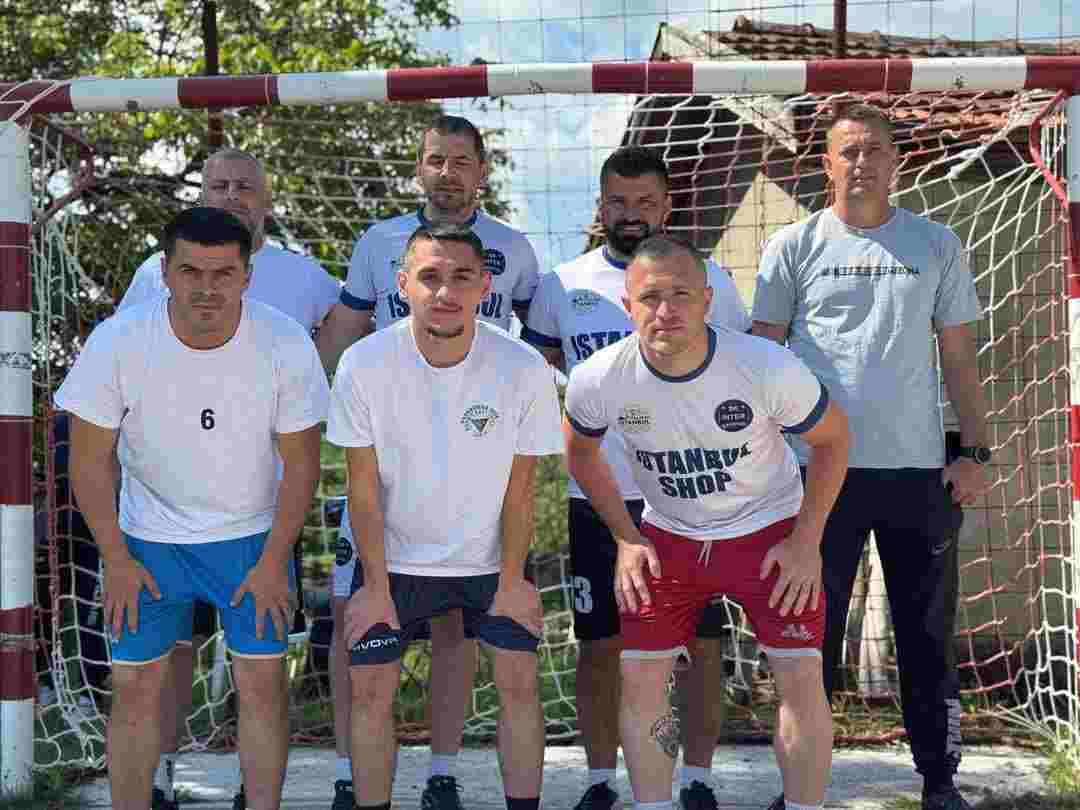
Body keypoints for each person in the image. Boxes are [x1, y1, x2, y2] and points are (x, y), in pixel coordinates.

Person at [750, 103, 990, 810]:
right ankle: (802, 789)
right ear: (827, 164)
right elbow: (762, 360)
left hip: (917, 473)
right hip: (815, 476)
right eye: (849, 151)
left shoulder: (935, 243)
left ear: (896, 162)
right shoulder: (793, 245)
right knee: (808, 640)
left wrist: (975, 450)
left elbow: (960, 359)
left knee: (926, 635)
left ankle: (939, 781)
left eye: (875, 150)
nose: (862, 163)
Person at [564, 234, 850, 810]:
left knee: (799, 677)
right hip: (669, 537)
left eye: (681, 295)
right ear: (627, 305)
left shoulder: (764, 365)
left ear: (707, 300)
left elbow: (834, 440)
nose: (666, 310)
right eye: (650, 297)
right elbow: (580, 451)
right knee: (643, 681)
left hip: (768, 533)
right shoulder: (600, 377)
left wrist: (806, 541)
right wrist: (625, 537)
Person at [56, 207, 328, 810]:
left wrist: (274, 560)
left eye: (223, 273)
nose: (207, 288)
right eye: (191, 272)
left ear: (247, 275)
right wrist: (116, 559)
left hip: (251, 541)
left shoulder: (284, 342)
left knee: (263, 686)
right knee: (134, 688)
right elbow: (89, 461)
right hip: (148, 542)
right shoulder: (119, 340)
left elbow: (302, 466)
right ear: (165, 272)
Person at [316, 114, 541, 810]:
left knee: (505, 669)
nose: (445, 291)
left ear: (485, 284)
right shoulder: (366, 354)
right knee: (366, 667)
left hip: (482, 530)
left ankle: (448, 771)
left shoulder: (519, 352)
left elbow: (522, 486)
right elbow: (360, 484)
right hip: (395, 524)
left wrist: (514, 578)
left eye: (461, 278)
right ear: (404, 282)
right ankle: (356, 783)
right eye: (430, 278)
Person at [523, 146, 750, 810]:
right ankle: (601, 780)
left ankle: (698, 779)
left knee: (700, 643)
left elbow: (740, 369)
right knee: (601, 645)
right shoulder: (561, 285)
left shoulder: (711, 281)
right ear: (601, 207)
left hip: (691, 495)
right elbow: (539, 372)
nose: (631, 214)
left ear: (667, 206)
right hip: (598, 496)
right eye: (618, 202)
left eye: (645, 202)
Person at [119, 148, 341, 810]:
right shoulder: (154, 273)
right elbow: (122, 362)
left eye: (246, 186)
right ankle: (159, 773)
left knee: (262, 668)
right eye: (219, 184)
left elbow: (343, 341)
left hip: (263, 511)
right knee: (169, 653)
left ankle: (256, 787)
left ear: (266, 200)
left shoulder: (304, 277)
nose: (232, 194)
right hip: (162, 510)